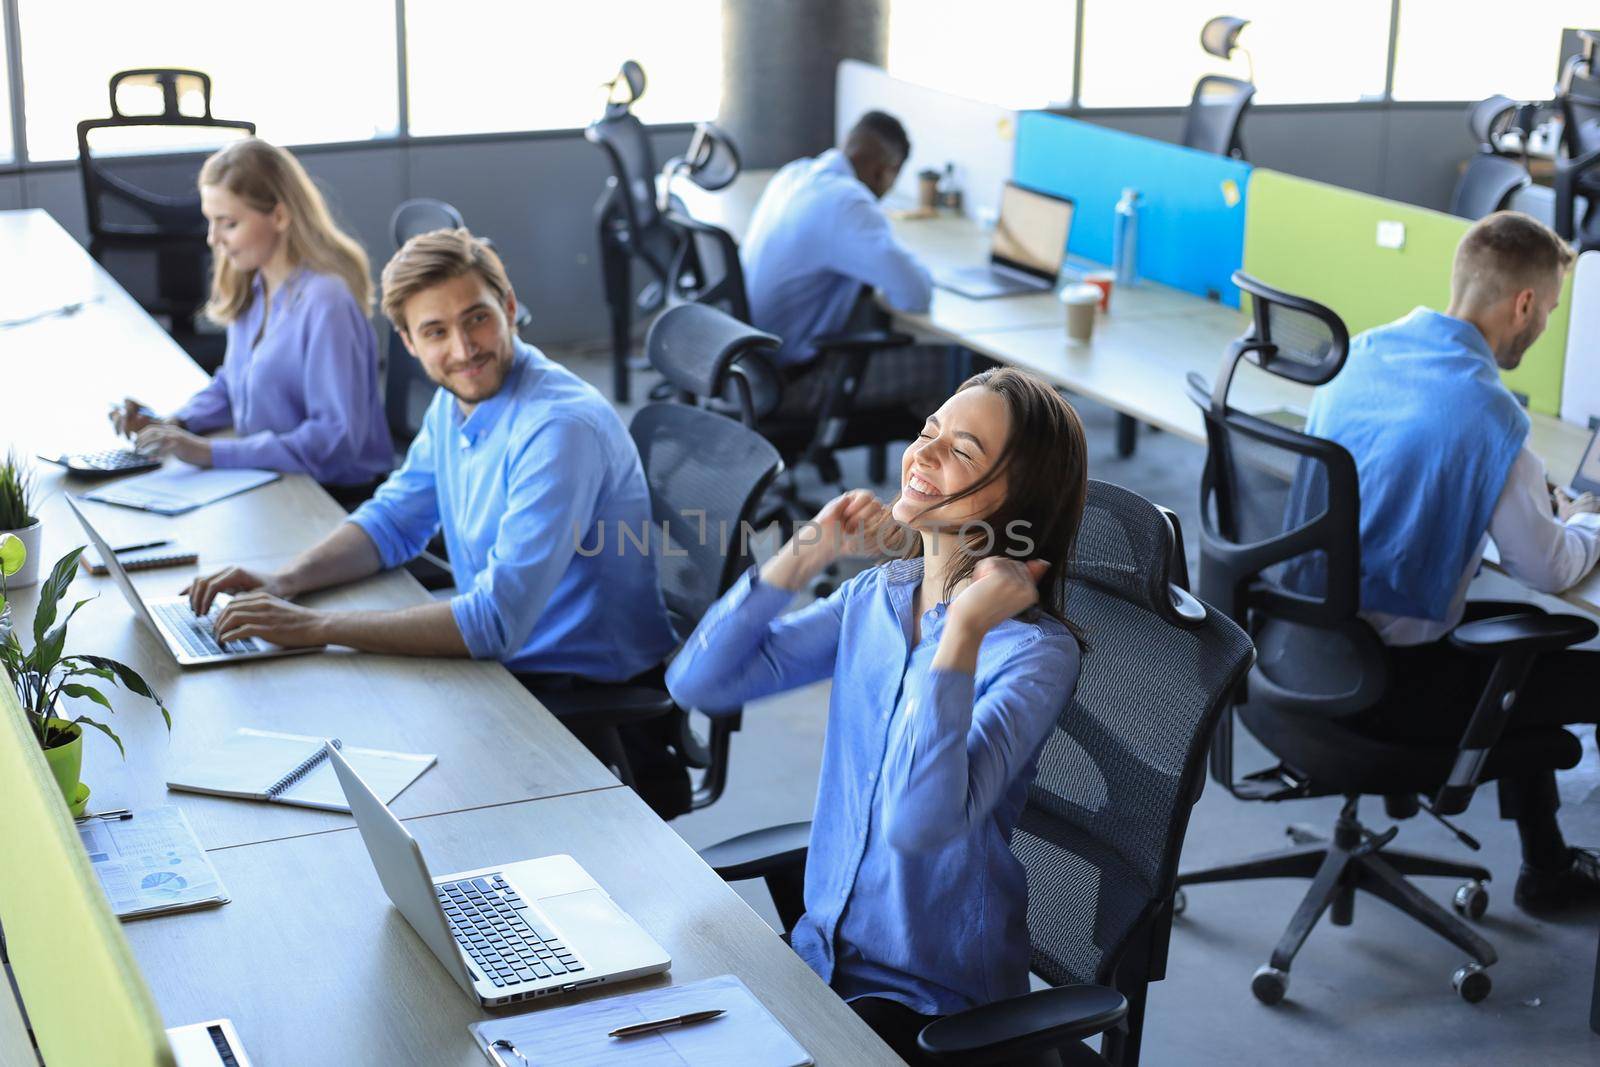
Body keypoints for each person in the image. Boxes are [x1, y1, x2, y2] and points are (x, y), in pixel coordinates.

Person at [667, 368, 1086, 1064]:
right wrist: (808, 552)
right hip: (823, 955)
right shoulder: (879, 598)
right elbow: (699, 681)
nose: (923, 455)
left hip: (934, 1007)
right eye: (927, 433)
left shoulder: (1034, 654)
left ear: (1018, 497)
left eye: (962, 451)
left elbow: (918, 822)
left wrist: (961, 636)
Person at [184, 229, 679, 789]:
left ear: (509, 307)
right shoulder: (460, 396)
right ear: (409, 342)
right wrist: (286, 578)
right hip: (507, 669)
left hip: (579, 703)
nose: (464, 349)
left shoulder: (559, 428)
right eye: (436, 331)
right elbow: (396, 518)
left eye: (477, 318)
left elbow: (494, 623)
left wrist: (316, 626)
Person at [1303, 210, 1600, 912]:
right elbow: (1553, 567)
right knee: (1552, 658)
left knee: (1517, 639)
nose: (1546, 324)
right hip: (1389, 684)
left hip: (1306, 649)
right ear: (1524, 303)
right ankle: (1549, 871)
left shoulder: (1362, 355)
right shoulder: (1491, 415)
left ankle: (1548, 862)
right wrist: (1589, 520)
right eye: (1551, 309)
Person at [110, 138, 393, 493]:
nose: (213, 239)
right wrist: (174, 424)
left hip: (332, 495)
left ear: (279, 215)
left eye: (228, 223)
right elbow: (234, 386)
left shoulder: (327, 302)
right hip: (274, 479)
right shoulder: (255, 285)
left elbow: (333, 439)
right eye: (210, 222)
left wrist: (210, 452)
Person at [741, 110, 942, 417]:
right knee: (953, 369)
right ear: (884, 172)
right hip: (795, 383)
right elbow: (915, 294)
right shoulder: (848, 203)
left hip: (748, 373)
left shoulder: (795, 174)